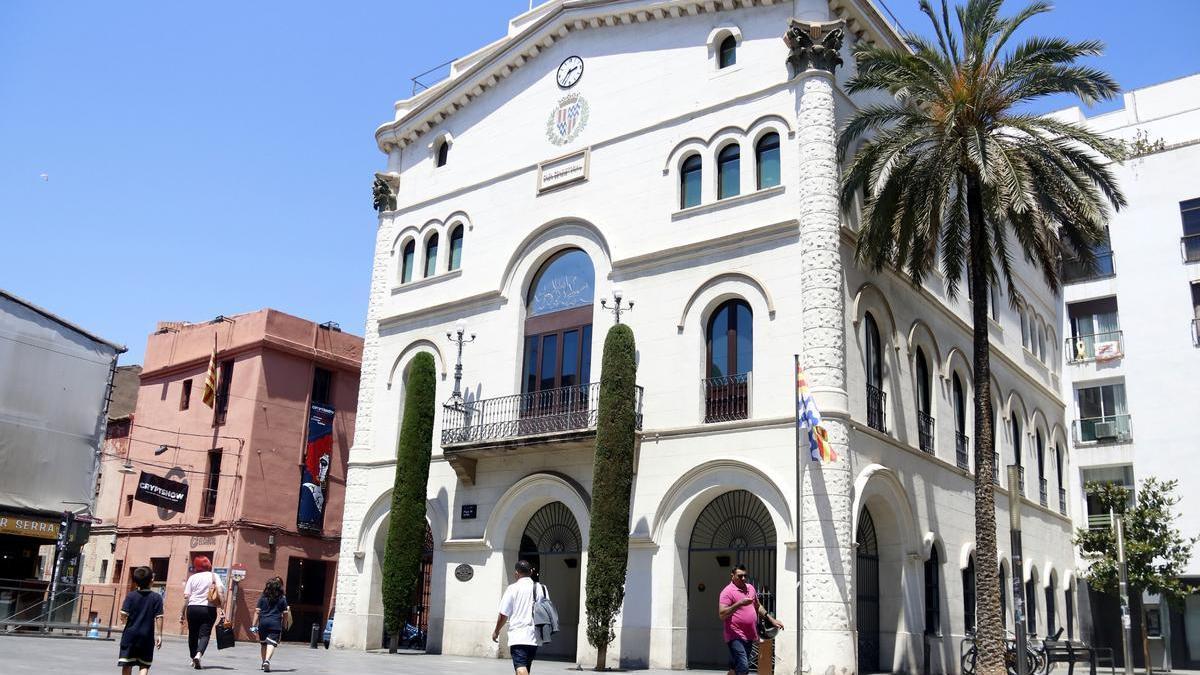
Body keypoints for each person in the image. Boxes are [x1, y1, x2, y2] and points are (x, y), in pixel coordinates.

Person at [718, 564, 784, 675]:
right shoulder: (727, 592)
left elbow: (758, 607)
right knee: (743, 667)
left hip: (749, 635)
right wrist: (739, 603)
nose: (743, 578)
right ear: (732, 575)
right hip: (735, 635)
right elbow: (722, 614)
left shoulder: (750, 588)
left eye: (745, 576)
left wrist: (772, 620)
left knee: (735, 668)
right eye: (740, 576)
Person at [492, 560, 546, 675]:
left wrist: (496, 631)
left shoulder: (513, 588)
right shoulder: (540, 588)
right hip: (534, 637)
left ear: (516, 573)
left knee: (521, 668)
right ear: (531, 572)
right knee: (525, 667)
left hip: (518, 636)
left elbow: (503, 614)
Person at [180, 555, 225, 670]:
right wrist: (222, 606)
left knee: (193, 634)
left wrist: (182, 612)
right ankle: (198, 655)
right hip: (208, 608)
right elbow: (220, 591)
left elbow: (187, 597)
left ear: (197, 565)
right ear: (208, 564)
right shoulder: (214, 576)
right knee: (205, 634)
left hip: (192, 608)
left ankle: (192, 657)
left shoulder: (192, 578)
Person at [118, 566, 163, 675]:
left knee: (127, 664)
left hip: (130, 635)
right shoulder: (156, 597)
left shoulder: (131, 596)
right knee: (144, 665)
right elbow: (159, 617)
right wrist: (159, 635)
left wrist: (123, 620)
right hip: (146, 637)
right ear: (151, 580)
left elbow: (123, 613)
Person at [250, 576, 289, 672]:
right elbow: (285, 613)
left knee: (263, 644)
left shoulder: (263, 597)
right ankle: (267, 660)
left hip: (263, 623)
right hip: (275, 624)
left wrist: (253, 625)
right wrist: (284, 624)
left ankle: (263, 663)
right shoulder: (282, 599)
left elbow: (257, 611)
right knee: (271, 643)